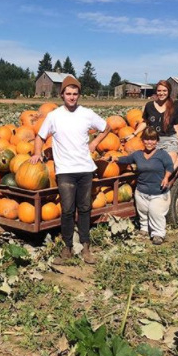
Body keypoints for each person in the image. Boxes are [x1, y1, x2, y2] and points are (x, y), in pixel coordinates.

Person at [30, 76, 111, 265]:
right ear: (62, 95)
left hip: (85, 169)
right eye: (68, 93)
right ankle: (67, 248)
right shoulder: (54, 116)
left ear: (79, 95)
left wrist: (96, 142)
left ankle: (85, 247)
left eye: (75, 94)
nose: (72, 97)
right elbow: (40, 137)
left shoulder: (87, 114)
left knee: (84, 208)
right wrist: (37, 153)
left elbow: (106, 127)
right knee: (67, 210)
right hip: (65, 171)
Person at [107, 127, 173, 245]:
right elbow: (126, 159)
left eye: (152, 140)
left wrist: (166, 177)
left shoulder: (162, 154)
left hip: (158, 191)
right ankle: (144, 229)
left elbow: (170, 166)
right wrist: (115, 158)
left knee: (156, 212)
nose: (149, 142)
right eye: (146, 139)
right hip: (141, 190)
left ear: (157, 141)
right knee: (143, 211)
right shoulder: (137, 154)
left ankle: (158, 234)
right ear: (142, 141)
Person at [125, 80, 178, 170]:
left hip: (169, 139)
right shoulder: (149, 106)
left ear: (169, 92)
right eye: (159, 91)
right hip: (152, 140)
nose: (161, 93)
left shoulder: (174, 107)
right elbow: (145, 122)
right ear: (156, 92)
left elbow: (177, 128)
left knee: (169, 166)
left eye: (164, 91)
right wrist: (134, 134)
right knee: (151, 166)